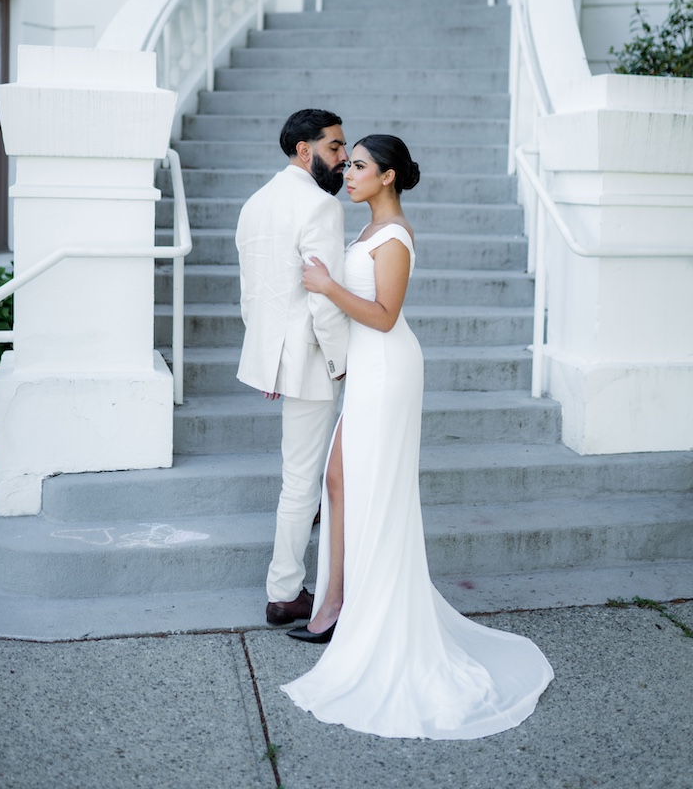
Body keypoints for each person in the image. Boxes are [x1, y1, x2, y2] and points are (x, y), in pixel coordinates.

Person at [281, 134, 554, 740]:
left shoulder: (396, 236)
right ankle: (336, 603)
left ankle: (350, 612)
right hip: (368, 368)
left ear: (389, 176)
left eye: (359, 166)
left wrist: (327, 287)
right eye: (347, 163)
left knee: (367, 486)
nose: (347, 173)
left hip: (389, 367)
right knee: (338, 480)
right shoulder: (369, 229)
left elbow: (385, 316)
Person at [235, 109, 349, 627]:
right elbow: (323, 299)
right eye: (335, 147)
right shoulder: (321, 205)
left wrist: (270, 363)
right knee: (301, 480)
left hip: (284, 357)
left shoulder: (255, 203)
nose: (343, 157)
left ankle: (309, 549)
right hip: (312, 359)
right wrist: (341, 364)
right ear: (305, 151)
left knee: (302, 475)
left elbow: (253, 293)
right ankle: (284, 593)